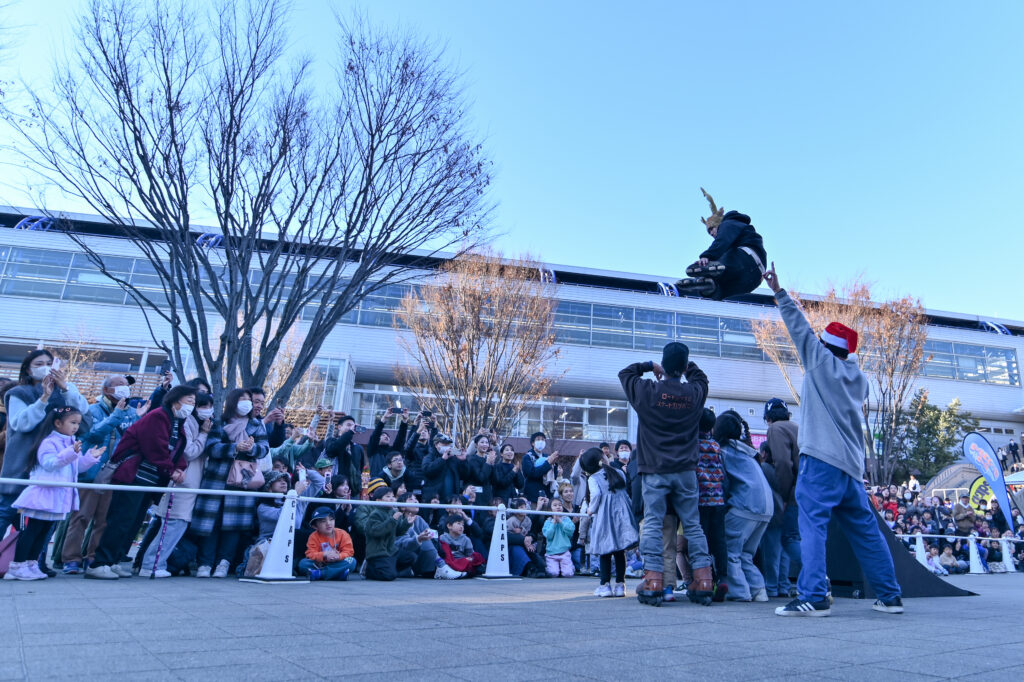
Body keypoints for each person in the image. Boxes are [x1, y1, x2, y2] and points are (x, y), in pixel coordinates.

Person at [763, 263, 904, 617]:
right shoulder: (859, 380)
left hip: (821, 461)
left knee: (812, 527)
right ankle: (890, 596)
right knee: (866, 532)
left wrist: (779, 291)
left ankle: (813, 596)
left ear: (825, 346)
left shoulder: (820, 363)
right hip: (851, 468)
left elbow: (799, 329)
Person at [618, 342, 714, 606]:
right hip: (686, 471)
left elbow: (625, 374)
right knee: (693, 525)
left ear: (663, 364)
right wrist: (687, 366)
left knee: (653, 522)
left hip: (655, 470)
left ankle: (653, 579)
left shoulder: (648, 392)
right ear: (684, 366)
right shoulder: (694, 393)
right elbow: (701, 378)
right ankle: (703, 579)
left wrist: (650, 366)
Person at [86, 385, 196, 580]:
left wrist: (180, 467)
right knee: (120, 520)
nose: (192, 405)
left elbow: (177, 448)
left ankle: (114, 560)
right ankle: (100, 562)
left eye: (194, 402)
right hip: (133, 476)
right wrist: (171, 470)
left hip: (150, 480)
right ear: (175, 400)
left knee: (134, 523)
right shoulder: (158, 416)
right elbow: (155, 447)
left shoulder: (177, 421)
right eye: (189, 400)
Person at [61, 375, 147, 575]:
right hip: (91, 471)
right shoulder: (92, 410)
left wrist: (138, 417)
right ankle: (71, 559)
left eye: (126, 385)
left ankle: (93, 557)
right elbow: (92, 434)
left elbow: (133, 438)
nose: (124, 388)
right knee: (81, 517)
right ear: (106, 390)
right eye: (119, 385)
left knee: (104, 520)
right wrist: (116, 415)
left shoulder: (131, 412)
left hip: (115, 473)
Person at [4, 408, 104, 581]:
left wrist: (89, 458)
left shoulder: (72, 442)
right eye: (72, 422)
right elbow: (49, 463)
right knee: (33, 530)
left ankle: (31, 564)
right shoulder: (48, 442)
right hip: (44, 493)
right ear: (58, 423)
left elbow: (76, 467)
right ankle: (17, 566)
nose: (76, 427)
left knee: (43, 532)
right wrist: (71, 452)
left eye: (78, 423)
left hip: (57, 495)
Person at [1, 350, 91, 536]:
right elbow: (21, 424)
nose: (45, 368)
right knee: (6, 511)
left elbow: (83, 415)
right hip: (23, 462)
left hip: (55, 465)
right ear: (28, 369)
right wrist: (43, 399)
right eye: (39, 364)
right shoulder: (18, 393)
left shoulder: (66, 390)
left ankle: (32, 555)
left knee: (44, 521)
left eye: (49, 364)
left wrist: (65, 389)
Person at [191, 389, 270, 578]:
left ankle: (223, 563)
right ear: (233, 402)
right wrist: (234, 447)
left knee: (233, 525)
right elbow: (212, 448)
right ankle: (205, 563)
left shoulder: (256, 425)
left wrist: (251, 448)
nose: (247, 403)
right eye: (242, 399)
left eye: (249, 399)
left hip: (242, 479)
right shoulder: (220, 422)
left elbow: (264, 449)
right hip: (216, 479)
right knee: (211, 522)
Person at [137, 393, 214, 577]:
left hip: (190, 483)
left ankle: (156, 564)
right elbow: (189, 452)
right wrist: (204, 434)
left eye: (209, 406)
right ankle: (151, 565)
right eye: (202, 406)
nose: (207, 410)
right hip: (182, 482)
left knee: (176, 525)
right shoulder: (187, 424)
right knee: (172, 525)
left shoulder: (196, 424)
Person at [715, 411, 773, 602]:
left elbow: (722, 484)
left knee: (729, 551)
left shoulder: (723, 451)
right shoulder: (747, 451)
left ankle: (740, 592)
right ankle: (758, 590)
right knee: (746, 554)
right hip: (766, 508)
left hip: (745, 506)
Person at [675, 189, 767, 300]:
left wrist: (707, 256)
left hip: (747, 259)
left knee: (725, 255)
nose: (711, 233)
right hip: (753, 280)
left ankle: (709, 272)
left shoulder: (728, 223)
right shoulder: (738, 228)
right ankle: (710, 287)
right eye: (709, 232)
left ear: (718, 223)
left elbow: (722, 241)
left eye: (711, 229)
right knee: (722, 289)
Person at [579, 448, 638, 597]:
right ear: (603, 459)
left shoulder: (593, 478)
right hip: (622, 514)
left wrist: (590, 510)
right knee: (620, 551)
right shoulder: (618, 472)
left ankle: (605, 585)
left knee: (605, 550)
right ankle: (620, 585)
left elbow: (596, 495)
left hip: (605, 515)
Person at [760, 398, 802, 598]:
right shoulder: (797, 427)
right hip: (804, 490)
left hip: (790, 494)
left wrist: (784, 495)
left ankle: (819, 575)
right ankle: (784, 585)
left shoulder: (775, 429)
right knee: (789, 540)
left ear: (768, 417)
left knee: (785, 540)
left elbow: (783, 464)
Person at [357, 478, 414, 581]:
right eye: (388, 497)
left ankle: (389, 567)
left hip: (391, 550)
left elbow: (398, 531)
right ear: (378, 500)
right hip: (378, 552)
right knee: (389, 576)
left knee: (411, 557)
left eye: (392, 496)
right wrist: (393, 520)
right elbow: (376, 532)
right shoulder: (375, 513)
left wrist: (407, 523)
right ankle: (369, 569)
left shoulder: (392, 512)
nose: (392, 499)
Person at [301, 506, 356, 581]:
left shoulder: (343, 534)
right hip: (320, 564)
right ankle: (337, 574)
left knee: (352, 561)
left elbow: (349, 552)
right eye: (323, 521)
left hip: (337, 562)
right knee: (303, 564)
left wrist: (338, 556)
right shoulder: (313, 536)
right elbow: (310, 554)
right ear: (315, 526)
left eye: (331, 519)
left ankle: (320, 574)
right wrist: (324, 554)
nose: (328, 523)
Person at [542, 498, 576, 577]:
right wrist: (554, 522)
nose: (558, 507)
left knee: (568, 574)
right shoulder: (548, 521)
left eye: (560, 505)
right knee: (553, 573)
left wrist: (560, 521)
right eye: (555, 505)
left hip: (564, 552)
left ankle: (570, 567)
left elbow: (571, 531)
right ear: (550, 509)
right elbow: (548, 535)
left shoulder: (566, 519)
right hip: (551, 554)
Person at [521, 432, 554, 502]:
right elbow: (532, 473)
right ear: (533, 443)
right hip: (533, 496)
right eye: (538, 439)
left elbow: (553, 476)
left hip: (547, 495)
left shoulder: (547, 457)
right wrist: (548, 464)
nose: (541, 442)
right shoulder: (527, 457)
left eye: (543, 440)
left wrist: (554, 466)